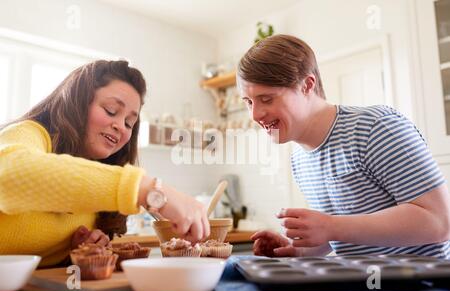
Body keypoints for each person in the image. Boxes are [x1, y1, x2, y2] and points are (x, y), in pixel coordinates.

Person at [237, 34, 450, 258]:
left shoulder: (375, 127)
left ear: (307, 85)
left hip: (422, 287)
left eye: (267, 99)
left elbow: (440, 221)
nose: (255, 115)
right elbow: (343, 233)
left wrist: (331, 225)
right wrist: (297, 250)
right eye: (249, 102)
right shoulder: (299, 159)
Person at [0, 60, 210, 267]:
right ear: (78, 103)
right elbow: (9, 175)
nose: (120, 126)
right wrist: (145, 189)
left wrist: (76, 251)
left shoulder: (97, 180)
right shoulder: (29, 133)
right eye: (111, 110)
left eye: (129, 123)